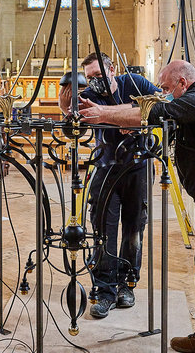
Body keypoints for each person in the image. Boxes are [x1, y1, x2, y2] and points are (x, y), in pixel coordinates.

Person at [79, 59, 195, 353]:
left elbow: (157, 111)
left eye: (165, 88)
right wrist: (133, 125)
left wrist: (104, 114)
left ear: (182, 84)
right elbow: (161, 123)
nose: (163, 93)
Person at [59, 52, 157, 318]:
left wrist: (125, 117)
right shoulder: (92, 95)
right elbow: (73, 120)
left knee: (134, 230)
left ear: (112, 69)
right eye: (90, 78)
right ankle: (104, 291)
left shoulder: (135, 83)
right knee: (104, 231)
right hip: (106, 166)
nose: (94, 82)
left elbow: (160, 105)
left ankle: (127, 285)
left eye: (98, 76)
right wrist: (66, 106)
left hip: (138, 166)